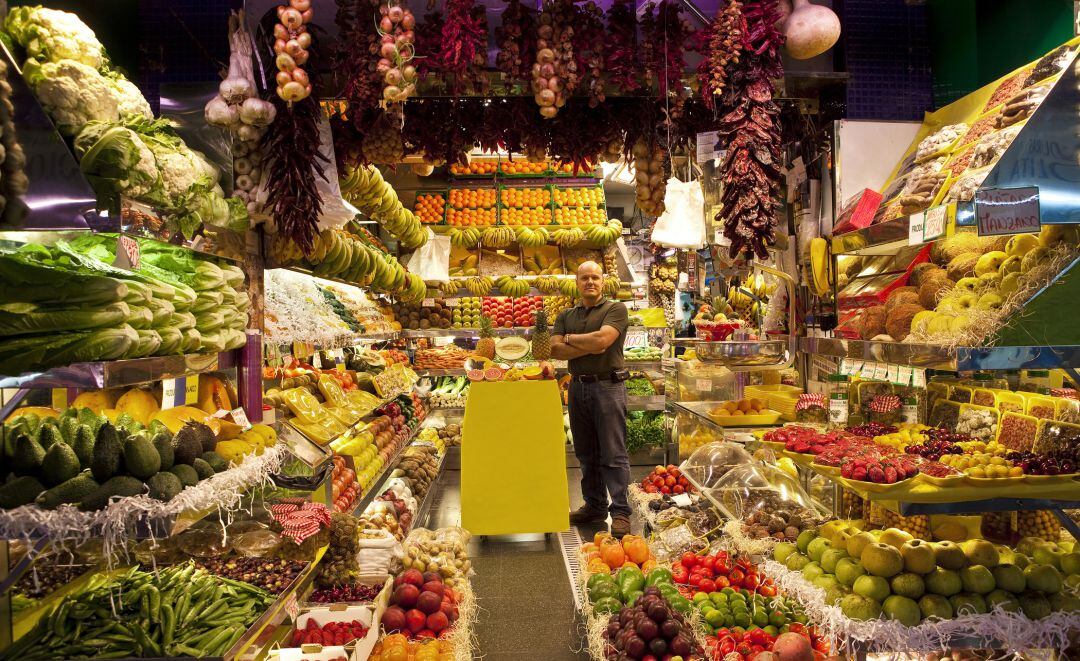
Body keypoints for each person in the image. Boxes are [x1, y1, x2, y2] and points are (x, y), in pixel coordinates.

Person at [550, 261, 632, 537]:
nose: (590, 282)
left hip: (608, 386)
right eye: (584, 278)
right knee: (586, 453)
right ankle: (595, 506)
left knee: (613, 452)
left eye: (595, 277)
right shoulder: (565, 314)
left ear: (603, 281)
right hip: (577, 388)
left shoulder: (615, 309)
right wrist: (588, 345)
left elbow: (602, 342)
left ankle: (620, 511)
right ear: (577, 282)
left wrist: (571, 340)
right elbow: (555, 350)